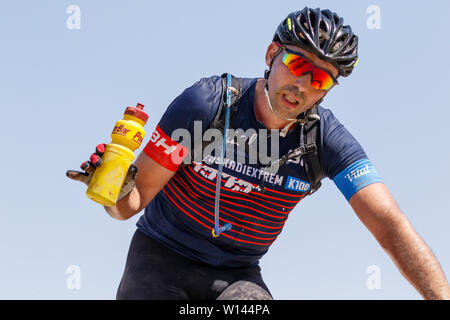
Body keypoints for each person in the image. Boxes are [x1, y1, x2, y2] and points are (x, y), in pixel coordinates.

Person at [67, 7, 450, 300]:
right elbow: (130, 205)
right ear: (271, 54)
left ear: (328, 90)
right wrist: (114, 189)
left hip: (238, 274)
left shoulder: (324, 140)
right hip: (161, 257)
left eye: (319, 79)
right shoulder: (205, 106)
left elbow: (390, 223)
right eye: (296, 64)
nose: (301, 84)